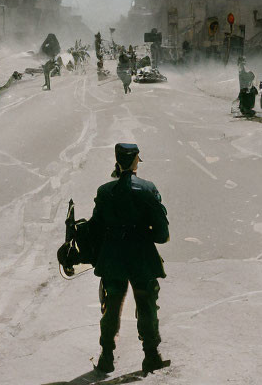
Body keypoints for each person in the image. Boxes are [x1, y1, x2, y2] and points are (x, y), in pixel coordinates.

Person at [87, 143, 169, 375]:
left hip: (113, 258)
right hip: (141, 257)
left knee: (111, 308)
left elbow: (94, 230)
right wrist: (145, 235)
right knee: (146, 305)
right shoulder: (147, 189)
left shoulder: (104, 191)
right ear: (135, 162)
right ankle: (151, 357)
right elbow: (162, 234)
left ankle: (106, 358)